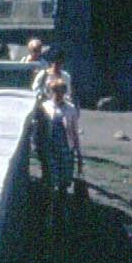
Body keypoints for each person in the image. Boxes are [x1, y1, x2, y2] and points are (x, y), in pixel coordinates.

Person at [38, 78, 83, 229]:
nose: (58, 94)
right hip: (50, 149)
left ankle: (63, 212)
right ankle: (48, 214)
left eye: (61, 91)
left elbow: (74, 132)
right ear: (51, 92)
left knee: (64, 182)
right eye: (55, 91)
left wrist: (78, 153)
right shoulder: (45, 107)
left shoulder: (70, 109)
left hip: (66, 149)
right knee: (51, 182)